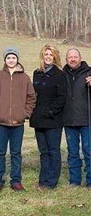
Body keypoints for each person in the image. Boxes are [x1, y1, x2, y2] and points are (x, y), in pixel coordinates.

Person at [63, 48, 91, 189]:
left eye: (75, 56)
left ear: (80, 58)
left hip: (86, 120)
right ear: (66, 59)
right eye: (70, 57)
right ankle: (75, 181)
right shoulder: (62, 74)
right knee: (72, 152)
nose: (73, 59)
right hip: (69, 120)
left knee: (89, 151)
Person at [30, 44, 66, 190]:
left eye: (51, 55)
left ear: (55, 57)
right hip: (38, 119)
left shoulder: (60, 75)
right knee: (43, 152)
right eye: (46, 55)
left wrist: (51, 111)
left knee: (53, 151)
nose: (48, 57)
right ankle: (42, 179)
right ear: (42, 56)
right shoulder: (37, 73)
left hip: (53, 119)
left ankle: (51, 182)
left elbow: (62, 97)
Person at [0, 46, 36, 191]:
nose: (11, 60)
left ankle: (16, 180)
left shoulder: (25, 77)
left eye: (13, 57)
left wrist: (25, 114)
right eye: (8, 57)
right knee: (0, 152)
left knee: (16, 153)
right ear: (5, 60)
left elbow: (31, 97)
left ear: (17, 59)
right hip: (1, 123)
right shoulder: (0, 76)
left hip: (17, 123)